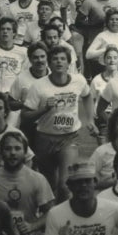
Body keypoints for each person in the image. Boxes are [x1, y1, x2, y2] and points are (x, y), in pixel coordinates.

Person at [22, 45, 94, 201]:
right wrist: (44, 109)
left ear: (69, 63)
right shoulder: (39, 86)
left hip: (69, 138)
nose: (59, 62)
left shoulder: (78, 80)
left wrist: (90, 119)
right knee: (49, 185)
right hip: (44, 138)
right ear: (49, 63)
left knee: (64, 184)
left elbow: (87, 96)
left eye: (63, 59)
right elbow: (25, 115)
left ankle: (65, 218)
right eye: (55, 59)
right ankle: (51, 216)